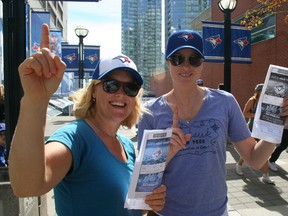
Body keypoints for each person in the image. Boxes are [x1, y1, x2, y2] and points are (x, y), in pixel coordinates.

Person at [9, 24, 167, 216]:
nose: (121, 94)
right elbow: (27, 186)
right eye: (111, 85)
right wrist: (35, 100)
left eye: (130, 88)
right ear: (93, 91)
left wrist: (151, 204)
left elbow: (129, 209)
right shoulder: (76, 137)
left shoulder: (126, 146)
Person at [137, 29, 288, 216]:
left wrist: (277, 125)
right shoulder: (150, 112)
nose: (186, 66)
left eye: (194, 59)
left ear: (202, 64)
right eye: (178, 59)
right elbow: (144, 180)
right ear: (168, 63)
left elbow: (255, 160)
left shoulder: (225, 102)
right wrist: (166, 154)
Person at [235, 84, 274, 184]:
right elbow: (244, 113)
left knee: (263, 152)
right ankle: (239, 165)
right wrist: (257, 115)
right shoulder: (252, 100)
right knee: (250, 151)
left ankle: (265, 175)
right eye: (261, 91)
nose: (263, 93)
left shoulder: (268, 101)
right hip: (253, 128)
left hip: (264, 129)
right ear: (257, 91)